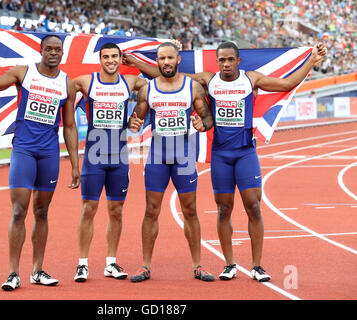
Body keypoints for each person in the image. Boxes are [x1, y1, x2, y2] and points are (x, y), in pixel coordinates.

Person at [126, 41, 326, 283]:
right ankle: (229, 264)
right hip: (220, 153)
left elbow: (287, 83)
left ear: (238, 61)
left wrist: (311, 60)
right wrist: (136, 61)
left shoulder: (251, 80)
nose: (226, 64)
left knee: (253, 205)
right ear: (217, 62)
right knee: (223, 208)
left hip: (244, 152)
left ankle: (256, 266)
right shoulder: (209, 81)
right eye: (222, 60)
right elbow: (168, 75)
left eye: (231, 59)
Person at [0, 29, 81, 291]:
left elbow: (69, 125)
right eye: (50, 49)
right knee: (18, 211)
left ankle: (38, 270)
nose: (54, 53)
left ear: (62, 53)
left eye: (58, 49)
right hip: (23, 149)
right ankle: (13, 273)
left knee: (42, 212)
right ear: (41, 50)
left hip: (49, 153)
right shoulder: (23, 73)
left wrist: (75, 164)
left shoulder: (66, 83)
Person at [127, 42, 215, 282]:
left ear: (178, 60)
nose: (166, 62)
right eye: (161, 58)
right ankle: (145, 266)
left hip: (183, 157)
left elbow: (207, 117)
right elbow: (136, 118)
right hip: (157, 156)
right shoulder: (148, 89)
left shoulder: (193, 87)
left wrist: (203, 124)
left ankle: (198, 265)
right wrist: (132, 124)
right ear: (157, 61)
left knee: (190, 211)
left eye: (170, 58)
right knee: (151, 211)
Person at [71, 42, 149, 282]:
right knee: (88, 209)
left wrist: (137, 117)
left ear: (119, 58)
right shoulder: (85, 82)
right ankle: (82, 264)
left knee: (116, 211)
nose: (111, 61)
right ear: (100, 59)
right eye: (106, 57)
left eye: (115, 56)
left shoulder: (131, 82)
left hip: (119, 157)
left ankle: (111, 263)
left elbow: (156, 83)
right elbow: (59, 89)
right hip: (94, 156)